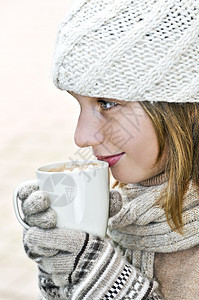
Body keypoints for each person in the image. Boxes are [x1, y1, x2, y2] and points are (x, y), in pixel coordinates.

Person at [17, 0, 199, 299]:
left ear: (185, 106)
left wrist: (107, 283)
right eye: (80, 104)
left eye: (108, 103)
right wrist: (62, 272)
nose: (81, 137)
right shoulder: (120, 214)